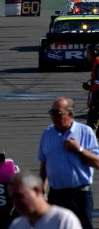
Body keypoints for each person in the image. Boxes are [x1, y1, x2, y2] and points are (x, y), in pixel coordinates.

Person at [39, 97, 99, 229]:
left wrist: (79, 150)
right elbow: (44, 164)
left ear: (70, 114)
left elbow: (97, 163)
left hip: (79, 196)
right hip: (56, 195)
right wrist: (42, 191)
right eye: (51, 113)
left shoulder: (85, 132)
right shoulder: (48, 133)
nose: (53, 117)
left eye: (57, 113)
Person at [7, 170, 82, 229]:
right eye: (12, 198)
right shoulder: (17, 225)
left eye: (19, 196)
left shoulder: (63, 219)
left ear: (36, 191)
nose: (15, 202)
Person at [82, 43, 99, 137]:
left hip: (97, 105)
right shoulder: (96, 64)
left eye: (88, 53)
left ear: (94, 53)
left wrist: (89, 87)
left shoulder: (98, 65)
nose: (86, 55)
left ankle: (89, 151)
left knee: (90, 133)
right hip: (96, 103)